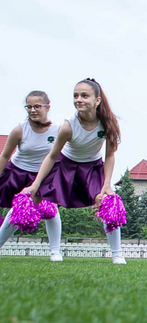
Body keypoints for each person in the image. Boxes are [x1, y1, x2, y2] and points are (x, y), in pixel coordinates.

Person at [23, 79, 126, 264]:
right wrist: (35, 184)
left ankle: (117, 254)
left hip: (92, 167)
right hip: (65, 166)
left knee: (110, 202)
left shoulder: (107, 123)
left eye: (84, 96)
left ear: (97, 101)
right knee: (27, 201)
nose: (79, 99)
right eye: (75, 95)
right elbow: (52, 156)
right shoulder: (68, 125)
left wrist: (107, 185)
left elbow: (109, 155)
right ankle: (51, 251)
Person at [0, 91, 63, 261]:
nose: (32, 110)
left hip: (44, 175)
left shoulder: (58, 129)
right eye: (29, 106)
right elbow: (4, 156)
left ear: (47, 107)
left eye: (37, 106)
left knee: (51, 209)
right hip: (18, 172)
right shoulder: (19, 130)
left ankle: (55, 252)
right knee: (18, 209)